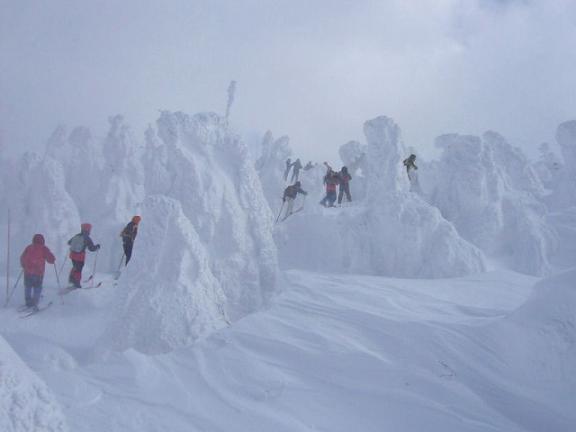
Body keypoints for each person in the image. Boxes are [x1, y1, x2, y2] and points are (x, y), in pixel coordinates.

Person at [20, 234, 56, 310]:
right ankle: (35, 301)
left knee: (28, 286)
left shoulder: (29, 247)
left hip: (28, 272)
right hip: (38, 272)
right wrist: (53, 259)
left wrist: (23, 264)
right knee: (37, 287)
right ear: (42, 241)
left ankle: (28, 301)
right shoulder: (44, 249)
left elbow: (23, 257)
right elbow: (50, 259)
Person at [67, 223, 100, 289]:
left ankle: (71, 280)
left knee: (75, 267)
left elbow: (69, 242)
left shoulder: (76, 235)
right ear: (88, 229)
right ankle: (76, 284)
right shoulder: (87, 238)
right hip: (80, 257)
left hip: (72, 255)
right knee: (79, 270)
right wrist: (97, 247)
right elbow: (92, 248)